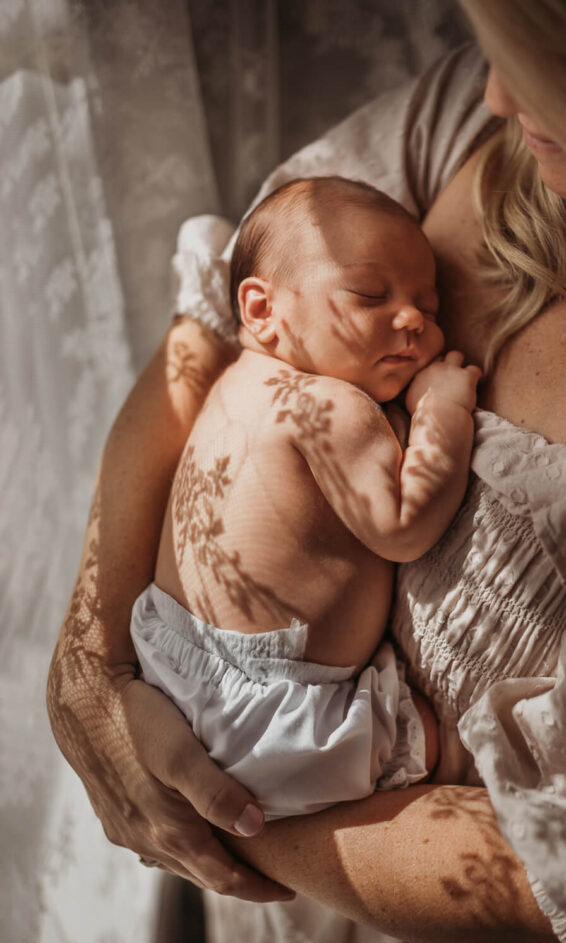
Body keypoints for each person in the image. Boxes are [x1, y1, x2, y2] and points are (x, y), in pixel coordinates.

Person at [47, 1, 566, 943]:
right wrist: (91, 661)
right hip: (262, 862)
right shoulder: (466, 123)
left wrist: (220, 797)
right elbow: (214, 316)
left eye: (540, 67)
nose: (494, 91)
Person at [130, 175, 482, 820]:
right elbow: (403, 524)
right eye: (369, 295)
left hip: (168, 656)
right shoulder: (327, 405)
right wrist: (443, 411)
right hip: (274, 726)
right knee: (449, 745)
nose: (411, 320)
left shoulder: (234, 383)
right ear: (263, 310)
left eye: (429, 311)